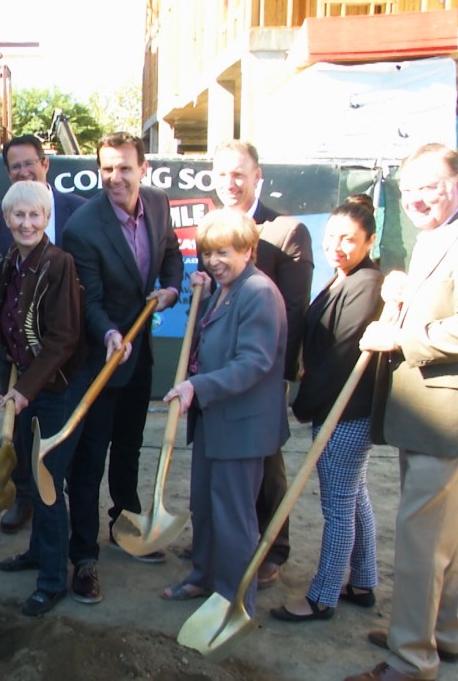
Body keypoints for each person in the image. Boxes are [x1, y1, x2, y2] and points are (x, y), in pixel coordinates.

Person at [347, 144, 458, 681]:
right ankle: (439, 633)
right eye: (409, 190)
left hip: (454, 415)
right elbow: (441, 302)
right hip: (427, 414)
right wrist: (403, 294)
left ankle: (410, 659)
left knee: (421, 541)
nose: (417, 199)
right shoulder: (436, 235)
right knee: (442, 536)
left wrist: (400, 338)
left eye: (430, 186)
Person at [63, 131, 183, 603]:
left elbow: (170, 253)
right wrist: (110, 333)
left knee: (130, 445)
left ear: (143, 168)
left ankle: (125, 525)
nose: (115, 177)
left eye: (125, 168)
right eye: (107, 168)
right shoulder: (83, 228)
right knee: (90, 458)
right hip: (101, 357)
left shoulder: (158, 204)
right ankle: (83, 557)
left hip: (141, 353)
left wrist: (171, 287)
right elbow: (89, 300)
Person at [160, 208, 288, 618]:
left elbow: (254, 362)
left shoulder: (258, 292)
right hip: (214, 421)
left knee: (234, 519)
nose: (214, 261)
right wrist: (201, 299)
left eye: (224, 252)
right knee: (204, 506)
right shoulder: (224, 289)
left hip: (242, 426)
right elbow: (208, 340)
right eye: (208, 253)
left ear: (248, 250)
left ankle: (233, 602)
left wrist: (197, 387)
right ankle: (203, 577)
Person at [271, 195, 382, 623]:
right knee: (354, 497)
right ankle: (363, 580)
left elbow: (340, 356)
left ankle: (323, 596)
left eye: (349, 239)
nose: (337, 246)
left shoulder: (366, 284)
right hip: (341, 407)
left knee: (338, 505)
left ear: (369, 241)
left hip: (346, 410)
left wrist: (302, 403)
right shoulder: (344, 277)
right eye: (332, 236)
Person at [211, 139, 313, 588]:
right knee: (225, 462)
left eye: (239, 174)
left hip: (263, 372)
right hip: (221, 369)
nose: (230, 183)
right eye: (222, 174)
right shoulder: (215, 227)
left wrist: (278, 378)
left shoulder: (286, 231)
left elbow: (295, 309)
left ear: (258, 177)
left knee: (266, 460)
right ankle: (226, 542)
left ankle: (274, 548)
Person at [0, 181, 86, 616]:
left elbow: (63, 338)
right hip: (26, 386)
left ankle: (52, 581)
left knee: (47, 482)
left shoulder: (59, 263)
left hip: (55, 389)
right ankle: (36, 553)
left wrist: (26, 389)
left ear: (47, 218)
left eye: (35, 215)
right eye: (18, 215)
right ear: (7, 219)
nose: (26, 223)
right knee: (29, 475)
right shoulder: (11, 260)